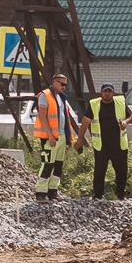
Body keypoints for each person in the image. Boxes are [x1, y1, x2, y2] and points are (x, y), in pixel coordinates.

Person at [31, 73, 84, 201]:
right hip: (50, 138)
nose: (64, 87)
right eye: (62, 84)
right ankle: (40, 193)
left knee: (58, 165)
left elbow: (65, 120)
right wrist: (50, 136)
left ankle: (53, 192)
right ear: (54, 82)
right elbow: (43, 118)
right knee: (48, 164)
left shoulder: (61, 98)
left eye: (65, 84)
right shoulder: (45, 95)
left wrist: (68, 138)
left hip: (60, 137)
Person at [91, 83, 130, 201]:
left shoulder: (120, 103)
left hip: (118, 145)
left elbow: (131, 115)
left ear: (113, 93)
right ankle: (98, 196)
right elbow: (85, 121)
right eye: (105, 91)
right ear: (101, 92)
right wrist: (80, 139)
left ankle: (120, 195)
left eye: (109, 91)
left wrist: (126, 122)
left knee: (121, 171)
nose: (107, 94)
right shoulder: (94, 104)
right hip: (102, 146)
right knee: (99, 171)